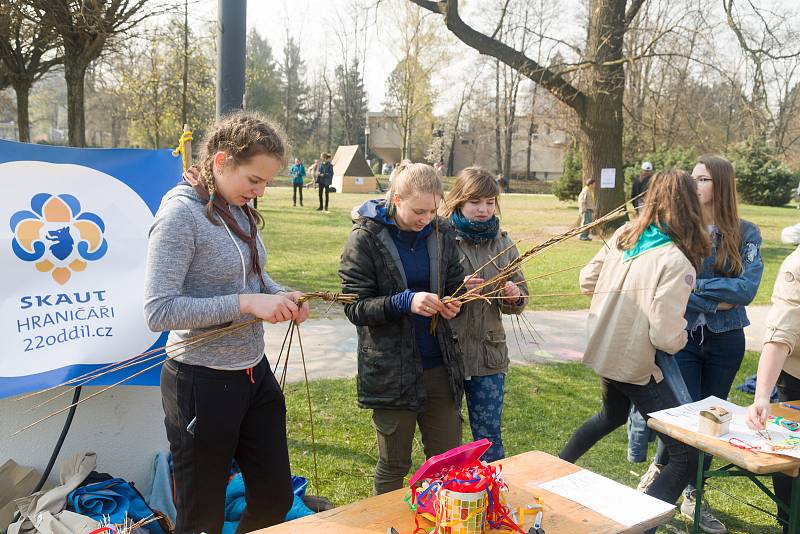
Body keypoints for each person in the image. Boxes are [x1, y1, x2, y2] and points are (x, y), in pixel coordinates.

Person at [144, 111, 310, 534]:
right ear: (221, 162)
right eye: (254, 180)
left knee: (275, 497)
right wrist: (245, 304)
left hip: (253, 374)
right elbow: (159, 311)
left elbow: (252, 277)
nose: (259, 192)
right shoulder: (179, 216)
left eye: (266, 183)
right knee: (202, 519)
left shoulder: (237, 206)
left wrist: (278, 294)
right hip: (199, 382)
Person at [559, 169, 710, 527]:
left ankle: (556, 467)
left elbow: (586, 280)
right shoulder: (675, 260)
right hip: (637, 363)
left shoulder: (626, 234)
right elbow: (663, 334)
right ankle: (638, 524)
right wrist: (682, 337)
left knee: (610, 415)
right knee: (686, 456)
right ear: (690, 205)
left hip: (608, 351)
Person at [638, 155, 763, 533]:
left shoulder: (746, 232)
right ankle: (659, 480)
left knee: (711, 423)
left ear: (720, 186)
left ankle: (694, 492)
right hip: (684, 336)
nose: (695, 186)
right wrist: (714, 295)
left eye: (704, 179)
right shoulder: (677, 229)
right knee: (681, 419)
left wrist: (694, 286)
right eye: (693, 179)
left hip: (727, 340)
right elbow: (667, 284)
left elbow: (746, 289)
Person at [339, 162, 465, 495]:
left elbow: (455, 283)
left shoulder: (442, 232)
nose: (426, 218)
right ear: (396, 199)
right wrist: (403, 302)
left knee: (447, 461)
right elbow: (354, 306)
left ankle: (435, 522)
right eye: (418, 210)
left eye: (433, 210)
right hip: (391, 370)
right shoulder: (365, 238)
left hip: (439, 363)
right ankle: (389, 525)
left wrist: (456, 301)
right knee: (395, 464)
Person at [441, 166, 529, 462]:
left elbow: (521, 292)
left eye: (490, 203)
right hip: (445, 356)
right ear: (459, 202)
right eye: (475, 202)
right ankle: (452, 496)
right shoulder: (440, 239)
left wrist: (514, 296)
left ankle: (492, 495)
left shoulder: (503, 244)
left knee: (489, 438)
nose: (483, 210)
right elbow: (427, 291)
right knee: (445, 438)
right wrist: (457, 292)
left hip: (489, 357)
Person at [745, 245, 800, 534]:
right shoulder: (797, 265)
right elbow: (780, 334)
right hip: (797, 375)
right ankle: (790, 521)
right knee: (790, 454)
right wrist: (762, 396)